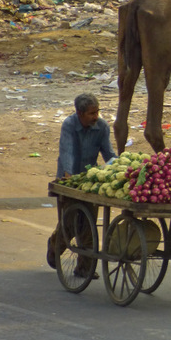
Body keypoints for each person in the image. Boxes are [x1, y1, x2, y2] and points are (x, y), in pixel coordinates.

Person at [47, 93, 116, 272]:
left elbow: (108, 153)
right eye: (91, 113)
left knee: (89, 224)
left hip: (88, 178)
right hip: (67, 177)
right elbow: (67, 151)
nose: (95, 117)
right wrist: (69, 176)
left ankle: (85, 268)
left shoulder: (102, 127)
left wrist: (119, 167)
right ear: (79, 113)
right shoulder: (69, 125)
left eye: (97, 112)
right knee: (69, 222)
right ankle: (54, 247)